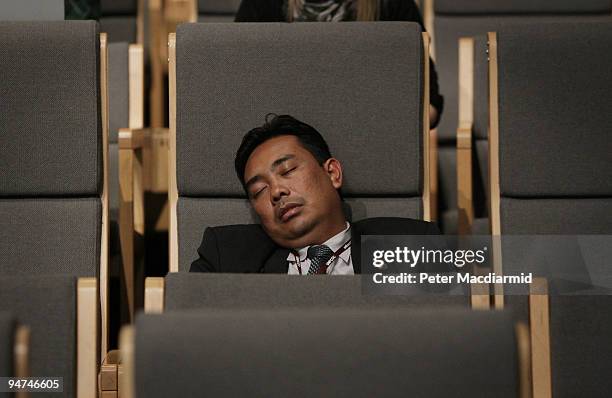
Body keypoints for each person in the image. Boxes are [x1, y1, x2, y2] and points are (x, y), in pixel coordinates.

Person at [190, 114, 440, 274]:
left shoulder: (411, 245)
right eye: (259, 190)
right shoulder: (226, 257)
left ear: (332, 173)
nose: (276, 191)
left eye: (287, 170)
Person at [235, 0, 444, 128]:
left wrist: (392, 123)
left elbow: (429, 103)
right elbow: (238, 77)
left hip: (367, 129)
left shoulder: (392, 4)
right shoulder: (263, 4)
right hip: (284, 128)